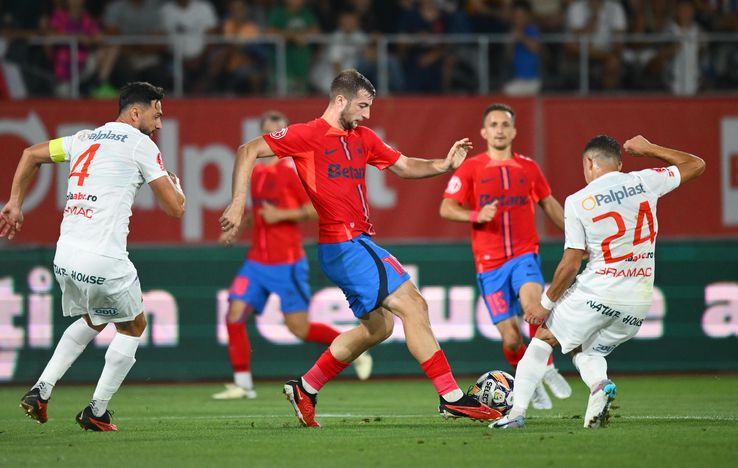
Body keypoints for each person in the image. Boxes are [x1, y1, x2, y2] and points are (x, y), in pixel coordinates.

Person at [219, 69, 500, 427]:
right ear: (340, 100)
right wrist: (238, 201)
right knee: (414, 304)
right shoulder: (308, 135)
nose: (367, 115)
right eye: (363, 106)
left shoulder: (364, 137)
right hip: (345, 242)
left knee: (378, 329)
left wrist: (443, 165)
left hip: (353, 245)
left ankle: (307, 387)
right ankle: (452, 397)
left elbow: (404, 165)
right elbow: (248, 150)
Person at [1, 82, 185, 431]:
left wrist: (14, 202)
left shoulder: (83, 138)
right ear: (136, 113)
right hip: (103, 259)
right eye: (156, 115)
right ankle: (96, 411)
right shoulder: (140, 144)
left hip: (65, 256)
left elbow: (30, 154)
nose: (159, 124)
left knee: (96, 318)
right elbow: (175, 209)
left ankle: (41, 390)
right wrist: (177, 186)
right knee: (134, 326)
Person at [492, 135, 705, 429]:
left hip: (599, 291)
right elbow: (696, 164)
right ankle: (599, 386)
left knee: (543, 338)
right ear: (619, 164)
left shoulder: (578, 201)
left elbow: (571, 262)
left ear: (589, 163)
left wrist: (545, 304)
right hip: (640, 300)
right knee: (586, 350)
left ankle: (515, 414)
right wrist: (650, 149)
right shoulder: (645, 180)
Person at [212, 111, 373, 400]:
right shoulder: (258, 173)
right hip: (257, 261)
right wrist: (238, 225)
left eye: (279, 132)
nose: (275, 140)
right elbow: (260, 213)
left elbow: (315, 209)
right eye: (268, 132)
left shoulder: (293, 173)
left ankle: (354, 348)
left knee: (299, 328)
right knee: (234, 314)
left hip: (287, 262)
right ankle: (243, 384)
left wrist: (282, 214)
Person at [440, 103, 572, 411]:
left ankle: (547, 368)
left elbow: (549, 204)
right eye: (494, 124)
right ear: (484, 132)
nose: (500, 129)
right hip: (490, 265)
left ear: (514, 131)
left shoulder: (528, 168)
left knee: (533, 308)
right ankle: (529, 378)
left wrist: (576, 237)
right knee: (512, 340)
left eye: (505, 124)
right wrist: (475, 213)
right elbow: (446, 208)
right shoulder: (471, 168)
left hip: (524, 255)